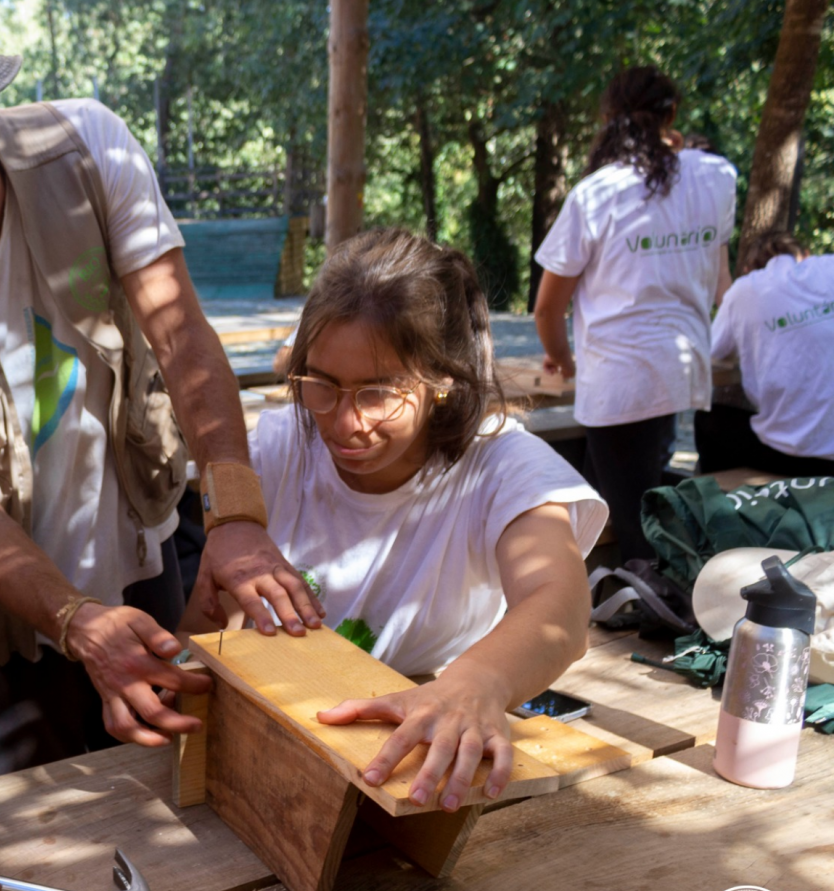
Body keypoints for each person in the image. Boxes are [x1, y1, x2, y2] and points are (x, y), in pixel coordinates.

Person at [0, 0, 321, 780]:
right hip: (3, 618)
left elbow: (179, 333)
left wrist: (236, 516)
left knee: (172, 786)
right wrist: (75, 620)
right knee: (31, 818)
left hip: (142, 556)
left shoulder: (84, 146)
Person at [187, 230, 606, 812]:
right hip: (282, 753)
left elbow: (560, 606)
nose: (344, 423)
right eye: (322, 385)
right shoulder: (281, 447)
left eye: (377, 393)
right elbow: (202, 632)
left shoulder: (502, 465)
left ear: (442, 382)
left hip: (423, 759)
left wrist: (476, 684)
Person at [533, 66, 737, 563]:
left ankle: (652, 608)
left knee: (632, 524)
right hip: (679, 367)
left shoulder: (599, 192)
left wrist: (565, 360)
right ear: (672, 113)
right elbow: (719, 282)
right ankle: (622, 598)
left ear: (608, 119)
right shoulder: (716, 176)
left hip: (619, 377)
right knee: (616, 495)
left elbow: (547, 307)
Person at [700, 231, 834, 476]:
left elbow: (709, 354)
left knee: (710, 419)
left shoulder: (745, 289)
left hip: (791, 457)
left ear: (751, 267)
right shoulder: (828, 266)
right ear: (804, 254)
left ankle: (724, 503)